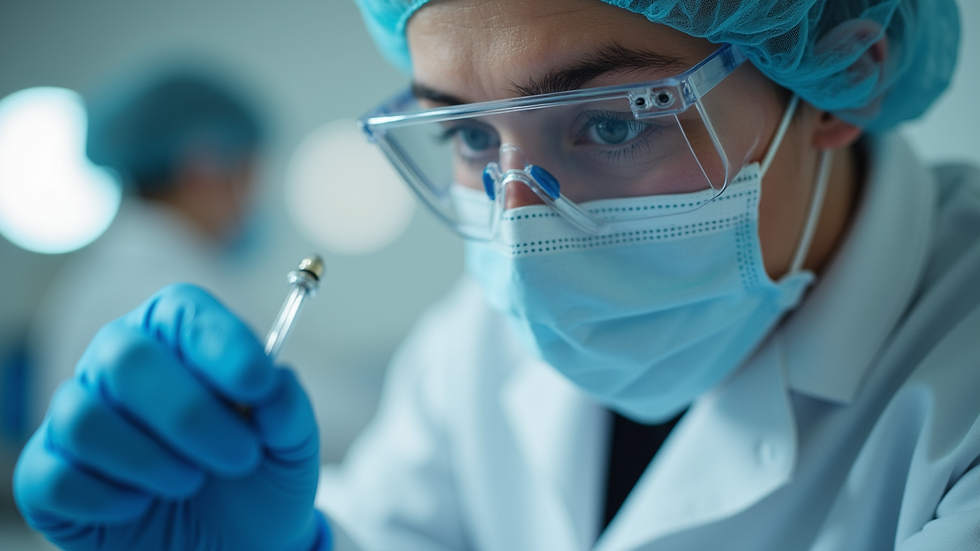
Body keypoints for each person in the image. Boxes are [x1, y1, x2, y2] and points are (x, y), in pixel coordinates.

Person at [14, 0, 980, 550]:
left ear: (843, 77)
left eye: (615, 120)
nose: (521, 233)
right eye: (471, 134)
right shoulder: (475, 340)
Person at [27, 66, 267, 431]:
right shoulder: (154, 287)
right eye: (248, 173)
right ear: (201, 168)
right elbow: (295, 404)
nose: (254, 199)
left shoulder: (125, 269)